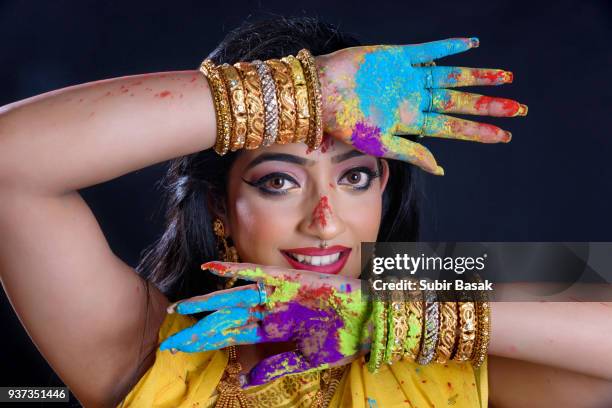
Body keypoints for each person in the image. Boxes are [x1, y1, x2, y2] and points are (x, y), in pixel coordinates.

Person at [0, 16, 611, 408]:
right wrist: (307, 93)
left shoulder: (434, 297)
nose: (325, 218)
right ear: (221, 206)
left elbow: (595, 287)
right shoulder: (150, 354)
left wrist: (394, 321)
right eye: (278, 181)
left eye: (354, 176)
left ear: (382, 192)